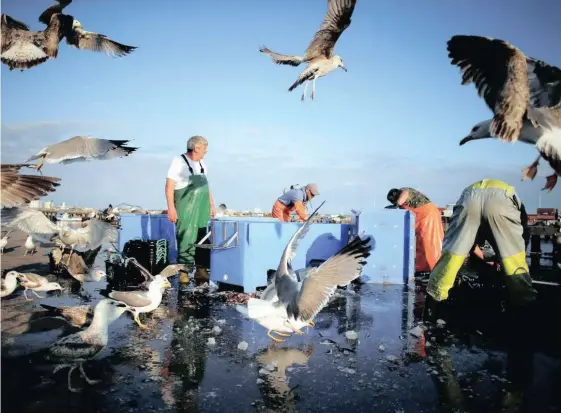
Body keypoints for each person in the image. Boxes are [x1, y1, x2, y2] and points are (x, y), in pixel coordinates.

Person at [424, 179, 537, 319]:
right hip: (502, 199)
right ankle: (524, 307)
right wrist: (503, 260)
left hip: (470, 196)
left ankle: (432, 306)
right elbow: (521, 235)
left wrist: (487, 259)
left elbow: (467, 246)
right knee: (513, 258)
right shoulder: (517, 205)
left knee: (453, 254)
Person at [165, 135, 216, 268]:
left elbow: (206, 186)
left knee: (203, 239)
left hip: (202, 209)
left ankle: (202, 272)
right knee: (186, 239)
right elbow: (169, 186)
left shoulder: (202, 163)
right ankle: (184, 275)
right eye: (205, 147)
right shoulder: (179, 161)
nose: (206, 151)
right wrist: (171, 208)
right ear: (196, 147)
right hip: (185, 209)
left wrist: (211, 204)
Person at [387, 187, 444, 273]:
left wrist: (396, 204)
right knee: (420, 244)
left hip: (429, 216)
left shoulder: (404, 191)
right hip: (421, 220)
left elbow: (404, 194)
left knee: (430, 243)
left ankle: (436, 270)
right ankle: (422, 268)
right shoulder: (404, 205)